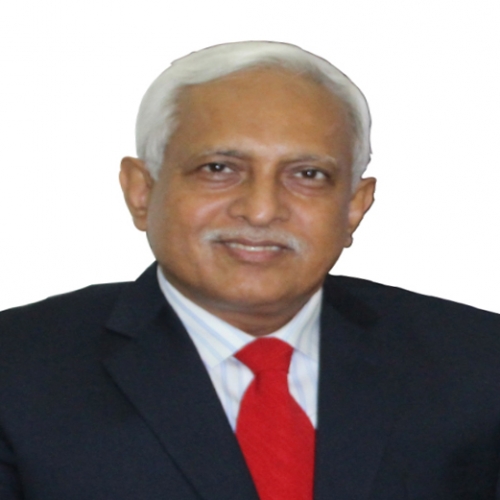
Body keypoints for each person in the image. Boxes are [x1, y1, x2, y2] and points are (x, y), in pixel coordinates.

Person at [1, 41, 500, 500]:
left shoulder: (478, 366)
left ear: (354, 206)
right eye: (219, 168)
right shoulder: (17, 372)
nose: (261, 211)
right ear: (142, 191)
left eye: (308, 175)